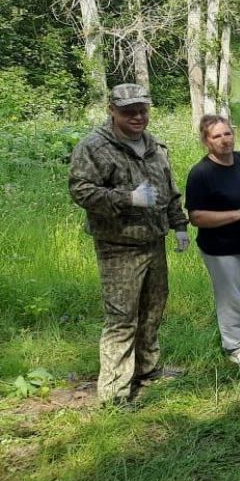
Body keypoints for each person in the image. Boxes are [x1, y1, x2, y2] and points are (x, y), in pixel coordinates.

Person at [68, 83, 189, 405]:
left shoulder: (154, 146)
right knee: (122, 318)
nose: (137, 117)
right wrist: (126, 198)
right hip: (118, 246)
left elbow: (169, 191)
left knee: (153, 309)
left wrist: (179, 225)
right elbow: (80, 190)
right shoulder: (94, 147)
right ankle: (114, 395)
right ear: (112, 110)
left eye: (142, 110)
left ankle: (147, 369)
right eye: (129, 111)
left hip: (154, 241)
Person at [186, 114, 240, 366]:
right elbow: (197, 217)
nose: (224, 140)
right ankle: (233, 347)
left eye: (227, 133)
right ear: (206, 141)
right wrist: (239, 214)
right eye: (217, 136)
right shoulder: (201, 173)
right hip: (222, 249)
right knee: (230, 298)